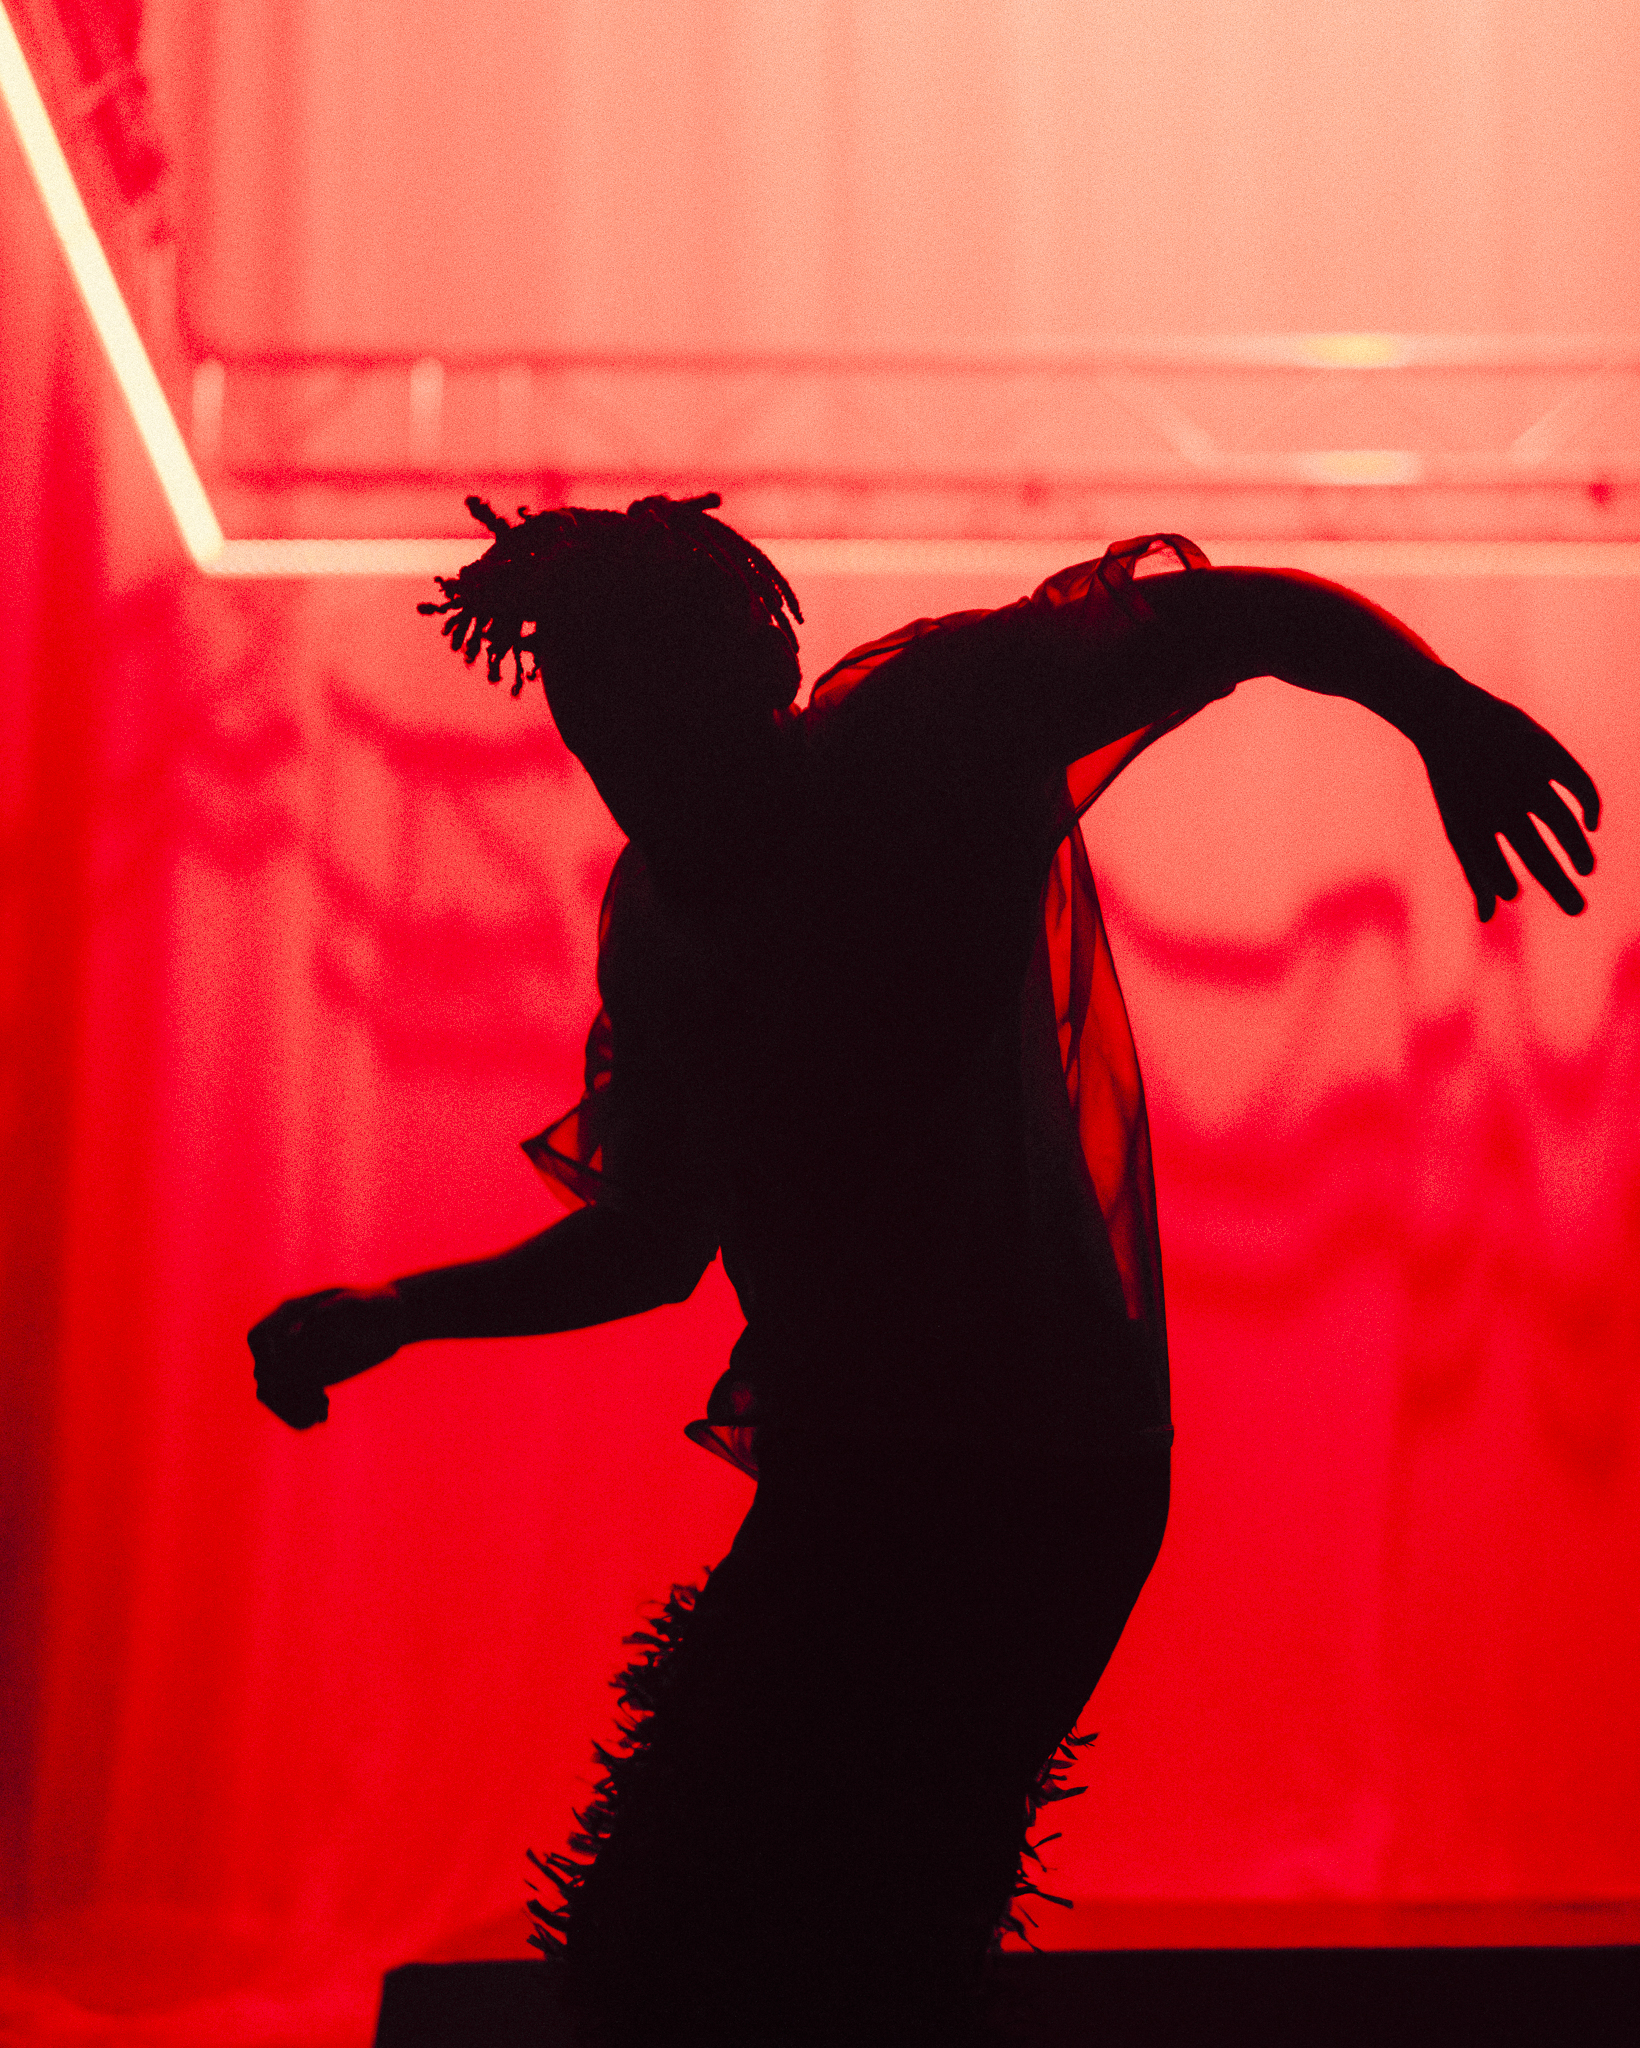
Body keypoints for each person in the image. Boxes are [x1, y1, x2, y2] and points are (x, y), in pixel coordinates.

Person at [248, 494, 1599, 2047]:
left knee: (842, 1911)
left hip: (1035, 1467)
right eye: (593, 727)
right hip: (855, 1461)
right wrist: (404, 1312)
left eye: (651, 716)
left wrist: (1445, 714)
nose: (625, 764)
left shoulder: (932, 731)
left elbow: (1243, 620)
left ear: (757, 668)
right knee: (704, 1915)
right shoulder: (661, 923)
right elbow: (655, 1239)